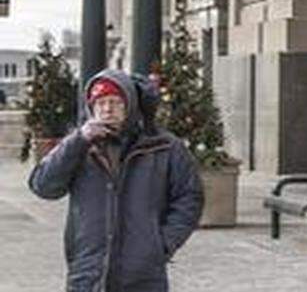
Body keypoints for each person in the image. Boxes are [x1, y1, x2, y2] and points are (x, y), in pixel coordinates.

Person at [28, 69, 203, 292]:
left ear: (129, 105)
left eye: (114, 102)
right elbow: (43, 187)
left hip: (142, 273)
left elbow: (189, 197)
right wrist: (78, 141)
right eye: (99, 103)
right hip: (88, 269)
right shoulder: (80, 146)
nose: (107, 109)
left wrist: (162, 244)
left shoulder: (165, 147)